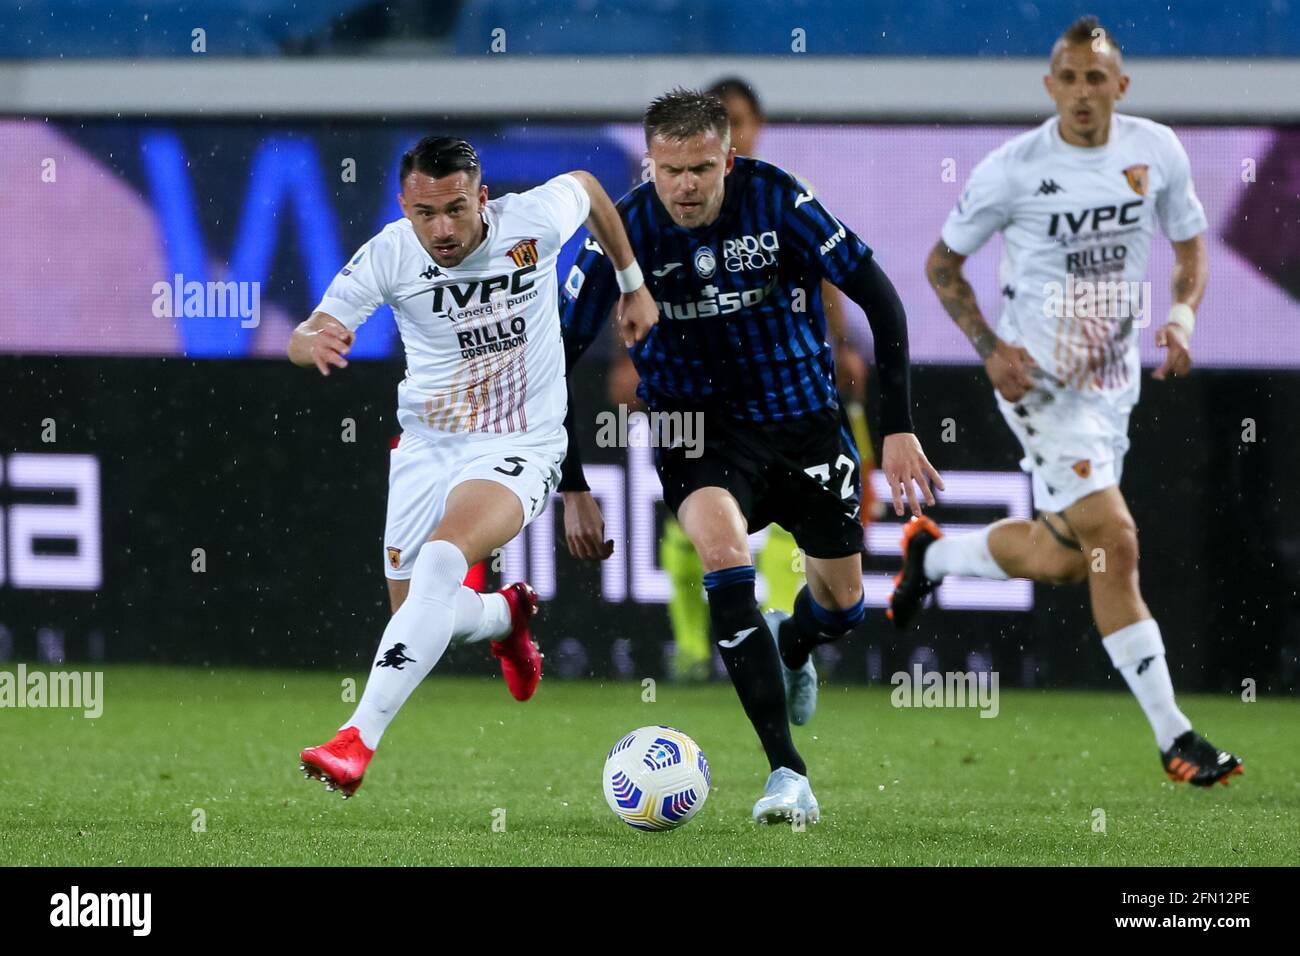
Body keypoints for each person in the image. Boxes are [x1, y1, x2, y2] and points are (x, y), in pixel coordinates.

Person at [561, 89, 942, 824]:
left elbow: (881, 300)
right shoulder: (624, 228)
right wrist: (573, 484)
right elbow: (555, 355)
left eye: (701, 167)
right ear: (651, 164)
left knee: (842, 606)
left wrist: (898, 429)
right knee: (721, 553)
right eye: (669, 169)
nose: (686, 186)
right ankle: (786, 773)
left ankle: (792, 641)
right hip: (693, 430)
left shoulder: (779, 200)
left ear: (728, 159)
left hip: (803, 422)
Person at [892, 17, 1242, 787]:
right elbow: (943, 265)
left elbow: (1189, 247)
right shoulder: (1013, 170)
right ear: (1050, 87)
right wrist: (991, 350)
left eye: (1097, 78)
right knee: (1115, 539)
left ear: (1121, 86)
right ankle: (1175, 736)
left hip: (1114, 382)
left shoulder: (1156, 151)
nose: (1083, 93)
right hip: (1042, 386)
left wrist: (1181, 316)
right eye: (1069, 78)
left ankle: (934, 553)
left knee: (1061, 558)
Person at [290, 136, 656, 797]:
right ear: (404, 206)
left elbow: (592, 188)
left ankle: (355, 739)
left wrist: (633, 284)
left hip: (520, 441)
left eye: (455, 209)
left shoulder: (531, 222)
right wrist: (309, 338)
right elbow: (305, 331)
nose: (441, 229)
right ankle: (502, 617)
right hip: (427, 446)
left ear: (481, 198)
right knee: (416, 616)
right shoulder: (390, 253)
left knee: (439, 562)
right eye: (425, 213)